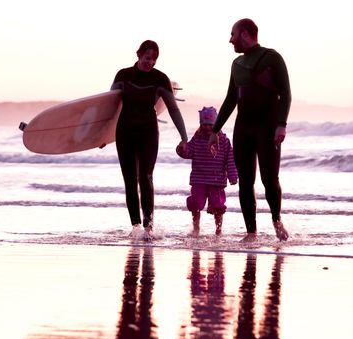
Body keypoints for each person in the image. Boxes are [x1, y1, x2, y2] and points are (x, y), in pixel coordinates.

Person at [208, 18, 291, 242]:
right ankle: (251, 232)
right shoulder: (236, 64)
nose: (230, 39)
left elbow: (286, 94)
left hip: (267, 127)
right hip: (243, 129)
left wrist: (281, 124)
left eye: (233, 34)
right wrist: (215, 131)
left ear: (244, 34)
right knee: (245, 181)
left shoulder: (272, 57)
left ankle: (276, 220)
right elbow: (230, 100)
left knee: (269, 179)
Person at [111, 40, 188, 241]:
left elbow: (173, 108)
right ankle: (135, 226)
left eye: (154, 59)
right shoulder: (123, 75)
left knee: (146, 177)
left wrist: (184, 136)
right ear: (139, 55)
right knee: (129, 180)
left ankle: (149, 227)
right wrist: (102, 136)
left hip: (148, 132)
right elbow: (108, 109)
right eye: (147, 58)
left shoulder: (160, 79)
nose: (150, 62)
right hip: (125, 131)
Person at [176, 107, 238, 236]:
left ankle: (218, 230)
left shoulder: (224, 141)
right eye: (204, 124)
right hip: (199, 179)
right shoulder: (197, 139)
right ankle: (196, 228)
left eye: (210, 125)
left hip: (217, 180)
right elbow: (188, 152)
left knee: (218, 205)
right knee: (196, 203)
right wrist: (181, 149)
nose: (207, 127)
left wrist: (232, 176)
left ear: (216, 124)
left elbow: (230, 159)